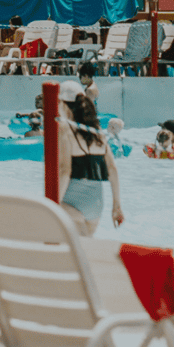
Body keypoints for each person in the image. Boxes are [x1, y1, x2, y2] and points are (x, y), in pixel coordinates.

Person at [57, 79, 124, 236]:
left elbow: (65, 171)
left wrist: (54, 204)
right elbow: (112, 169)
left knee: (74, 254)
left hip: (71, 203)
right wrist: (116, 206)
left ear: (63, 104)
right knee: (85, 251)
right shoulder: (97, 132)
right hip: (96, 205)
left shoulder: (65, 130)